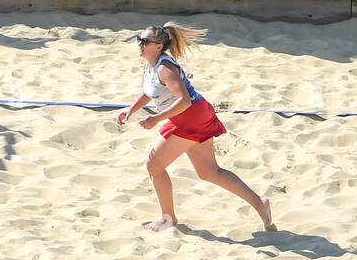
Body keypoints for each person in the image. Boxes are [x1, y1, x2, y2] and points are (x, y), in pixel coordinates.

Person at [117, 23, 275, 233]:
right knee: (210, 172)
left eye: (145, 41)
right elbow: (149, 92)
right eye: (139, 39)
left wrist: (156, 119)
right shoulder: (151, 65)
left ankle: (168, 218)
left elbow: (184, 102)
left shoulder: (165, 68)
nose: (140, 44)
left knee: (154, 166)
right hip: (193, 115)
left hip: (190, 116)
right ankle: (259, 202)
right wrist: (131, 110)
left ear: (158, 46)